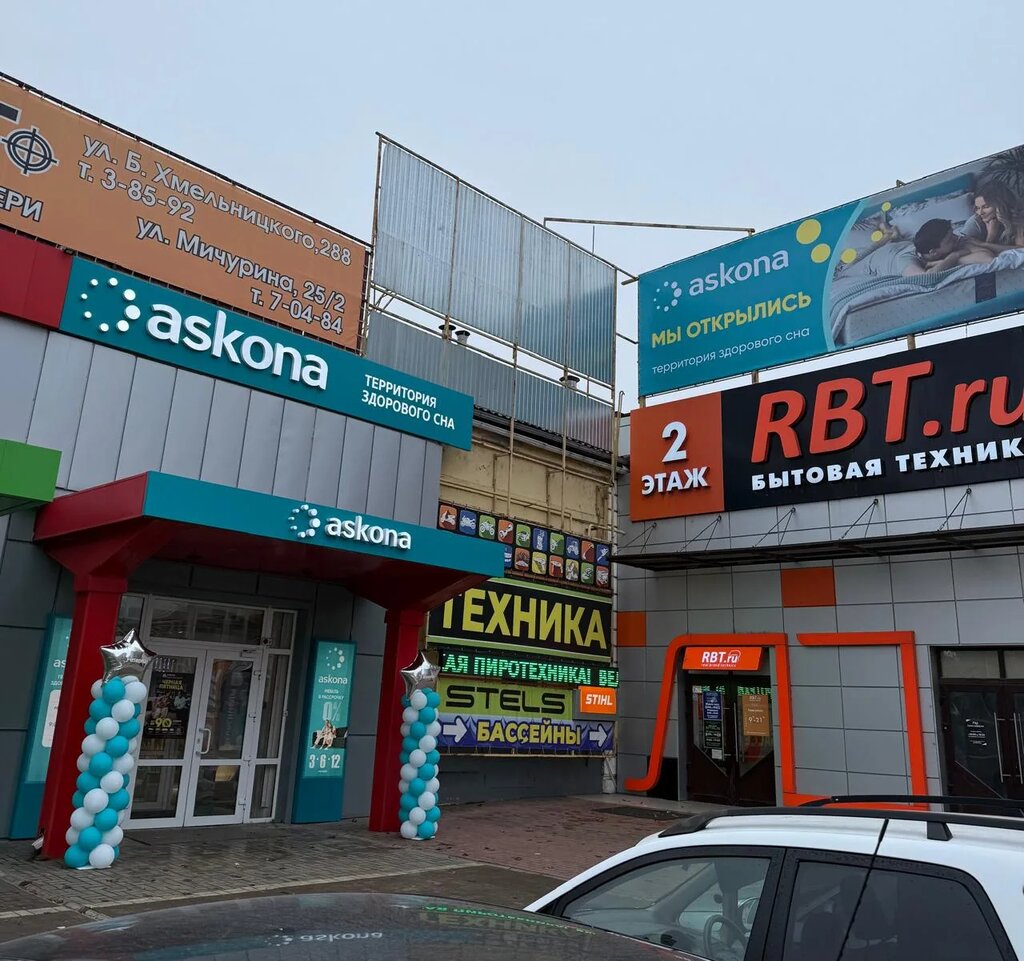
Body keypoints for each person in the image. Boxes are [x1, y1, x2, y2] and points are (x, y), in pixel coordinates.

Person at [903, 218, 994, 275]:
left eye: (953, 234)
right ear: (933, 252)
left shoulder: (953, 242)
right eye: (950, 239)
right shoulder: (907, 260)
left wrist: (940, 263)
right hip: (897, 249)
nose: (956, 238)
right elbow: (925, 278)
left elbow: (988, 257)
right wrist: (954, 256)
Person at [957, 181, 1024, 251]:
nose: (980, 213)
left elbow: (1021, 250)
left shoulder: (1017, 218)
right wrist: (991, 236)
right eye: (977, 208)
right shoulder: (975, 222)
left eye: (986, 207)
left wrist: (984, 244)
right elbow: (976, 253)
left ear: (1001, 205)